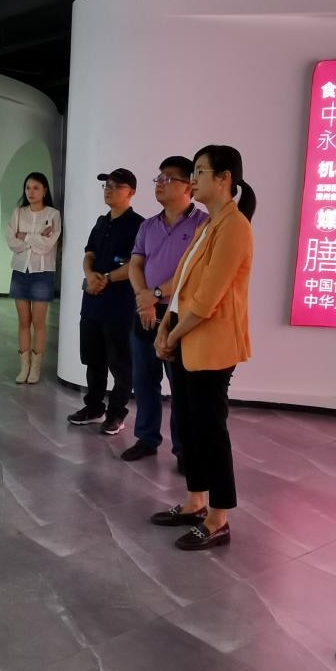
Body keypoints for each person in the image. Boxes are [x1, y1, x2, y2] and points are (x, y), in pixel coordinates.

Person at [149, 145, 255, 550]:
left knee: (210, 430)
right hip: (185, 336)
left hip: (211, 344)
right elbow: (181, 283)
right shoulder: (209, 225)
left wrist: (172, 334)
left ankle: (219, 517)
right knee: (189, 425)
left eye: (200, 171)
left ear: (224, 178)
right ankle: (195, 502)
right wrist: (165, 326)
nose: (193, 179)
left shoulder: (235, 227)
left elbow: (208, 297)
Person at [123, 156, 208, 463]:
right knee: (144, 380)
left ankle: (184, 449)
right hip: (146, 311)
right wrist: (144, 298)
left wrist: (156, 294)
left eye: (168, 178)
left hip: (179, 314)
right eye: (158, 178)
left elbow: (193, 272)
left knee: (180, 386)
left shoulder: (203, 225)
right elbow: (135, 264)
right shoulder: (148, 225)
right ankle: (146, 438)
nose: (160, 183)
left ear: (189, 186)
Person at [67, 168, 144, 435]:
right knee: (94, 360)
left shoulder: (139, 225)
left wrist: (107, 278)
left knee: (121, 365)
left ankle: (117, 413)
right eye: (107, 185)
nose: (109, 190)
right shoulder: (101, 222)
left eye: (116, 186)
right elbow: (89, 253)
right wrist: (91, 275)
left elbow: (136, 264)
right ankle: (94, 407)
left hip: (119, 307)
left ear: (131, 192)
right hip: (92, 304)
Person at [6, 172, 61, 384]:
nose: (31, 192)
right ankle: (24, 366)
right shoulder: (18, 213)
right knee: (23, 321)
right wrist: (36, 238)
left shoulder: (53, 214)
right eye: (28, 187)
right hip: (20, 271)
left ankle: (36, 368)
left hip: (42, 273)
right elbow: (11, 241)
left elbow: (48, 246)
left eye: (36, 187)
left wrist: (26, 236)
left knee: (38, 322)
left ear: (44, 190)